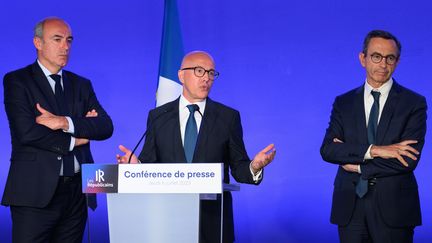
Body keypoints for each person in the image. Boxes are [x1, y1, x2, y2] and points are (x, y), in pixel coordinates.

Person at [117, 51, 276, 243]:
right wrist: (137, 166)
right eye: (199, 71)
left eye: (211, 73)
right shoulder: (158, 117)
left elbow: (239, 167)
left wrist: (255, 167)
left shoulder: (228, 117)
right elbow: (151, 165)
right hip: (169, 220)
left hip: (213, 222)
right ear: (181, 75)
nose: (206, 78)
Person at [1, 17, 113, 242]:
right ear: (38, 43)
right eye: (58, 39)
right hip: (35, 193)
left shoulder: (81, 85)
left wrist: (64, 122)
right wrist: (76, 138)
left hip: (77, 192)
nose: (66, 46)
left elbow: (105, 126)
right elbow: (27, 133)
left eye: (69, 40)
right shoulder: (17, 81)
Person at [320, 30, 427, 243]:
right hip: (350, 206)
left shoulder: (413, 103)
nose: (383, 64)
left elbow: (407, 160)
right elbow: (329, 150)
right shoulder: (344, 103)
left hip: (394, 208)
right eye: (376, 56)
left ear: (397, 62)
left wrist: (358, 165)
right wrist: (376, 150)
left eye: (390, 58)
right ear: (363, 59)